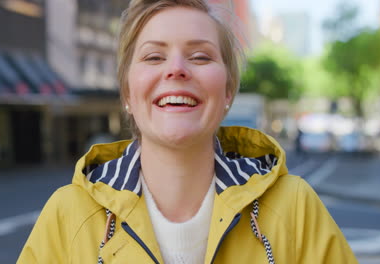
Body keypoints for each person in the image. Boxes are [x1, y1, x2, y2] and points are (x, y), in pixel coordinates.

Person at [18, 0, 357, 263]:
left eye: (199, 56)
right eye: (153, 57)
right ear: (127, 94)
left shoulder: (295, 207)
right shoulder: (66, 214)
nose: (176, 70)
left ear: (227, 91)